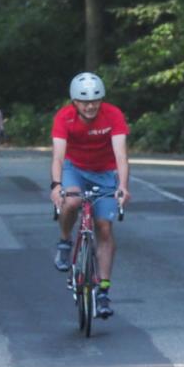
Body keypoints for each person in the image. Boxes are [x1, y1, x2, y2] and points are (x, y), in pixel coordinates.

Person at [49, 72, 131, 319]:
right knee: (71, 201)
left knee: (104, 228)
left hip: (105, 172)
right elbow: (58, 157)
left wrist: (123, 186)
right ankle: (64, 242)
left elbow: (121, 156)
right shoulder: (64, 117)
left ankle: (103, 293)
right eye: (84, 101)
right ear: (74, 101)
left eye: (95, 100)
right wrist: (56, 185)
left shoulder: (113, 115)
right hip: (75, 169)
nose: (90, 105)